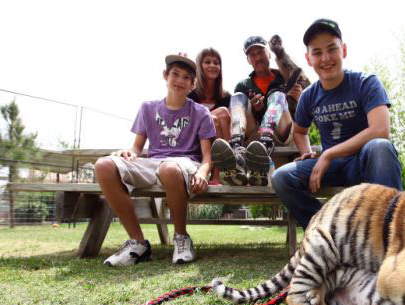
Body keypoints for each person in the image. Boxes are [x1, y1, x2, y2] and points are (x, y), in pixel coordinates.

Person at [271, 19, 403, 229]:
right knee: (280, 178)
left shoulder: (366, 83)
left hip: (363, 161)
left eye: (332, 49)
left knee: (380, 147)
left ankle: (390, 230)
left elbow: (381, 130)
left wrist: (329, 153)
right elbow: (299, 131)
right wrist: (307, 151)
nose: (325, 58)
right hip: (331, 167)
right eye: (317, 52)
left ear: (344, 50)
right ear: (308, 58)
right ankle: (328, 230)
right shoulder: (309, 96)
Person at [94, 53, 215, 266]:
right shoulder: (148, 108)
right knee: (104, 165)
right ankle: (138, 243)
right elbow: (137, 148)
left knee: (169, 168)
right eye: (175, 74)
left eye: (186, 77)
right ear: (165, 76)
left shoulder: (201, 112)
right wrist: (129, 153)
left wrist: (203, 173)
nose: (180, 80)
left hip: (185, 164)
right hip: (153, 163)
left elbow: (207, 156)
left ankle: (181, 238)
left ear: (193, 84)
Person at [211, 36, 303, 186]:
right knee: (238, 97)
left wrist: (299, 97)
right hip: (254, 138)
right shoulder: (243, 85)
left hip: (284, 133)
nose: (258, 57)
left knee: (277, 96)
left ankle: (265, 145)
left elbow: (309, 109)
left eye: (260, 52)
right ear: (248, 60)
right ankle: (237, 149)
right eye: (252, 55)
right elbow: (242, 113)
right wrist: (253, 110)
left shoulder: (285, 76)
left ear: (269, 54)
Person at [189, 47, 231, 185]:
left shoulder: (225, 96)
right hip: (194, 139)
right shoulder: (191, 94)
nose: (212, 65)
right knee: (217, 116)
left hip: (215, 141)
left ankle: (216, 177)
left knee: (220, 117)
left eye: (216, 62)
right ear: (199, 66)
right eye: (207, 62)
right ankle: (232, 161)